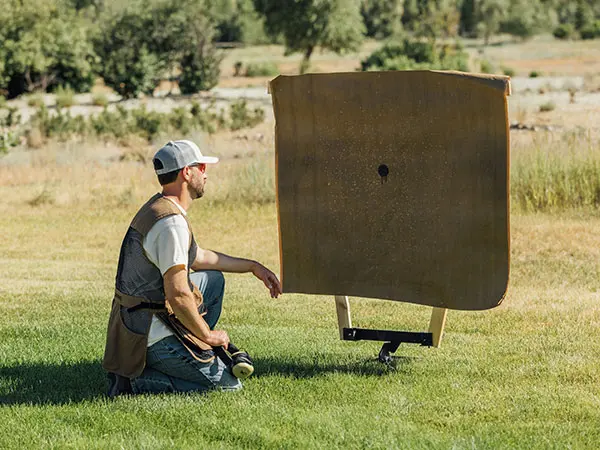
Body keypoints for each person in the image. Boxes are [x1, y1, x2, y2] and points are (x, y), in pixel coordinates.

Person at [102, 140, 282, 396]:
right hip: (148, 333)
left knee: (214, 280)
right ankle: (133, 382)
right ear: (187, 172)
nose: (206, 174)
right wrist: (208, 336)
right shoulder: (171, 224)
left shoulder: (160, 207)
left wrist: (253, 267)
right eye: (201, 167)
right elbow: (177, 294)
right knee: (229, 387)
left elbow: (199, 258)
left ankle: (184, 343)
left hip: (134, 320)